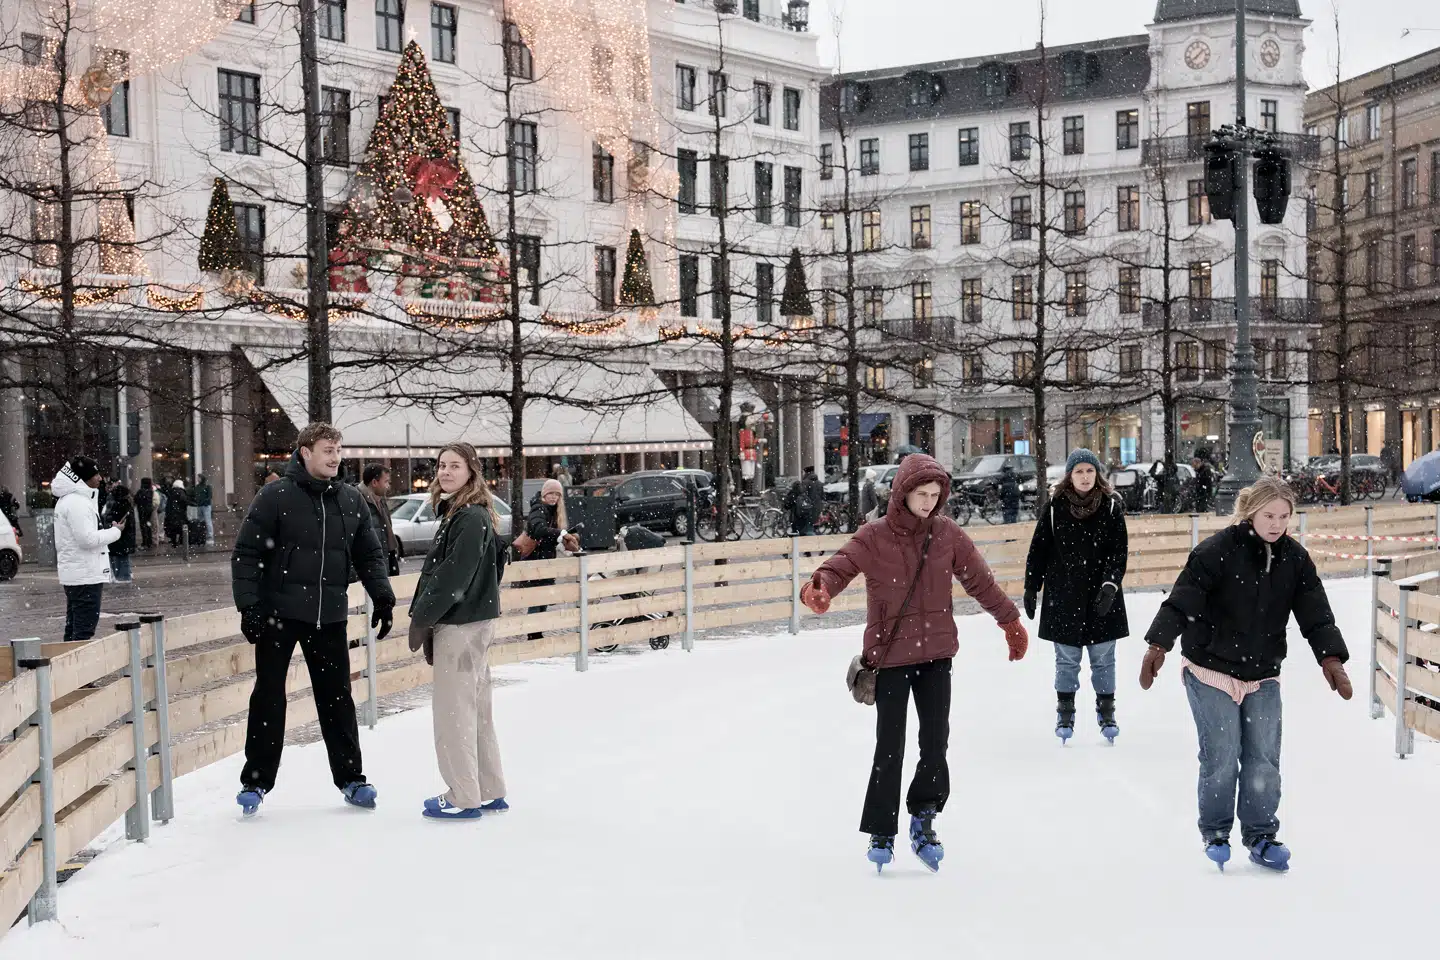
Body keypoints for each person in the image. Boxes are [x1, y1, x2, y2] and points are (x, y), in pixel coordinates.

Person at [799, 454, 1028, 873]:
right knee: (890, 745)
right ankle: (882, 830)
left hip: (937, 656)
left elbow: (980, 580)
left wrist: (1009, 619)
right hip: (890, 658)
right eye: (921, 495)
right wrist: (819, 588)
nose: (928, 503)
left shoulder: (948, 535)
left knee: (935, 743)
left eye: (935, 496)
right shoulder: (875, 536)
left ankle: (923, 817)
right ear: (902, 494)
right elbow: (838, 567)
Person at [1138, 476, 1352, 872]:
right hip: (1209, 669)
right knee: (1221, 755)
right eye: (1269, 515)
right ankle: (1216, 832)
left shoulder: (1295, 559)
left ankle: (1261, 836)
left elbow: (1315, 613)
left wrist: (1331, 658)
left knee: (1263, 759)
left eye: (1284, 516)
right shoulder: (1217, 552)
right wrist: (1158, 645)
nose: (1276, 523)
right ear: (1250, 511)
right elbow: (1182, 600)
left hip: (1262, 672)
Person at [230, 423, 396, 816]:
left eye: (339, 450)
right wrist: (249, 605)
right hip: (279, 615)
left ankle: (352, 778)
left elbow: (369, 554)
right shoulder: (275, 497)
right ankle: (255, 781)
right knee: (269, 697)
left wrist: (383, 597)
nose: (335, 457)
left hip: (329, 616)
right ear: (304, 452)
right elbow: (246, 554)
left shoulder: (351, 500)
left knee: (337, 699)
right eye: (327, 449)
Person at [407, 443, 510, 820]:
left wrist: (422, 617)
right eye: (441, 465)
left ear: (472, 472)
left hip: (461, 625)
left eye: (455, 466)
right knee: (477, 710)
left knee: (454, 713)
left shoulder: (469, 517)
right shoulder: (468, 513)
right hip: (473, 623)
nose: (445, 472)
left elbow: (454, 576)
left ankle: (464, 794)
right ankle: (488, 787)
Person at [1023, 449, 1129, 743]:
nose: (1085, 477)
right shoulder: (1055, 508)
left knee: (1104, 660)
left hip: (1101, 599)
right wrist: (1032, 586)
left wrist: (1110, 584)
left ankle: (1106, 710)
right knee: (1067, 661)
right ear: (1070, 475)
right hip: (1064, 596)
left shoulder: (1110, 507)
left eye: (1090, 471)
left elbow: (1118, 551)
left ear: (1097, 475)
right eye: (1079, 471)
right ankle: (1065, 711)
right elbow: (1039, 549)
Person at [51, 457, 125, 642]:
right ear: (83, 478)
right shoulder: (78, 502)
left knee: (75, 626)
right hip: (85, 574)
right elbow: (87, 539)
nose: (100, 478)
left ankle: (66, 665)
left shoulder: (70, 500)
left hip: (78, 573)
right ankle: (74, 667)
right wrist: (115, 532)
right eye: (96, 474)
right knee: (83, 629)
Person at [519, 479, 578, 641]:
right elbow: (539, 530)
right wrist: (561, 534)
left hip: (545, 560)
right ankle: (534, 633)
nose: (553, 498)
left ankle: (537, 632)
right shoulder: (539, 508)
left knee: (543, 597)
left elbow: (548, 535)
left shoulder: (552, 511)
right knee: (537, 597)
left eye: (557, 495)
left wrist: (563, 540)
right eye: (551, 494)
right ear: (544, 494)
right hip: (536, 561)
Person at [359, 463, 400, 577]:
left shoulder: (381, 500)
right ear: (374, 482)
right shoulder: (357, 501)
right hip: (369, 569)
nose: (388, 486)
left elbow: (386, 532)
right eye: (386, 482)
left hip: (384, 563)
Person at [102, 482, 138, 584]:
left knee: (119, 558)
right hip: (122, 538)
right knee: (120, 557)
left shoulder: (120, 505)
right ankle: (123, 576)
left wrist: (112, 526)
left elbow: (121, 522)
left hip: (120, 537)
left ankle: (123, 577)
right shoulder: (126, 504)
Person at [784, 465, 824, 536]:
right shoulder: (820, 483)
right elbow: (822, 497)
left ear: (806, 473)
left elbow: (801, 495)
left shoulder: (805, 483)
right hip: (816, 509)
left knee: (806, 530)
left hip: (805, 510)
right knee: (811, 528)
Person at [164, 479, 189, 547]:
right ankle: (181, 541)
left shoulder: (171, 492)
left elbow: (168, 503)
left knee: (173, 528)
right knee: (181, 528)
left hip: (171, 513)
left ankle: (173, 542)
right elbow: (184, 502)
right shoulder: (181, 492)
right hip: (180, 513)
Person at [191, 474, 214, 545]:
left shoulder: (207, 486)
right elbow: (195, 495)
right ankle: (202, 535)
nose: (198, 479)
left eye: (199, 478)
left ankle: (210, 536)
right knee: (200, 521)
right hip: (199, 506)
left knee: (207, 521)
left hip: (206, 506)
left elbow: (209, 496)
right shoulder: (197, 487)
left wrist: (203, 501)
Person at [134, 478, 155, 549]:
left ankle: (145, 542)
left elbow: (136, 500)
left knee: (143, 526)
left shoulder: (141, 491)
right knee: (148, 525)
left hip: (142, 510)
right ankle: (149, 541)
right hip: (148, 510)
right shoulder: (150, 491)